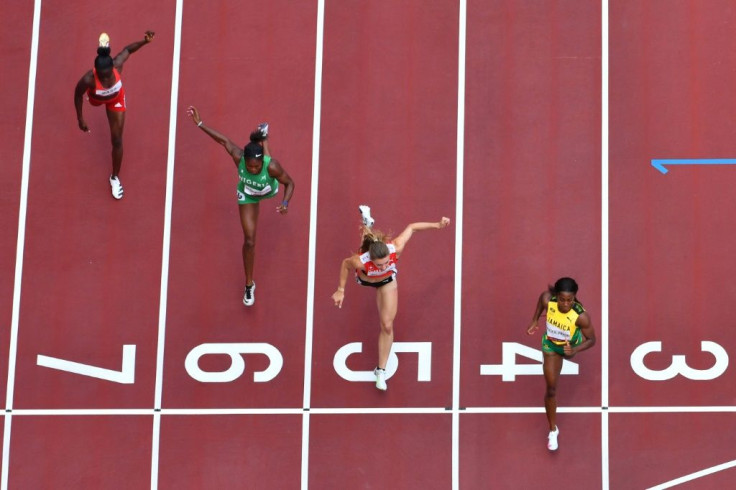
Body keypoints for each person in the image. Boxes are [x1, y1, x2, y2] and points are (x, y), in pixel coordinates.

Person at [332, 206, 451, 391]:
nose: (384, 265)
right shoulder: (360, 261)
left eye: (387, 262)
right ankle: (367, 225)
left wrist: (437, 225)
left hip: (388, 282)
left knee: (387, 325)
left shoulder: (395, 247)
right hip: (366, 281)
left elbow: (412, 227)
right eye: (379, 264)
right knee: (365, 243)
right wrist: (341, 289)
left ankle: (380, 371)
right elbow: (345, 265)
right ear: (370, 260)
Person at [186, 106, 294, 306]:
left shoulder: (271, 166)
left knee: (272, 164)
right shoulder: (238, 157)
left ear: (261, 163)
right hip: (248, 195)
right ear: (244, 159)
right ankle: (249, 284)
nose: (252, 169)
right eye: (249, 165)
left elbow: (290, 183)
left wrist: (285, 202)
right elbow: (223, 140)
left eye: (256, 166)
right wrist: (200, 124)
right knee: (250, 240)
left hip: (269, 191)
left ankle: (264, 137)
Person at [74, 31, 155, 199]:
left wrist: (144, 41)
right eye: (102, 76)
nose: (105, 79)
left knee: (117, 140)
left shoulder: (117, 64)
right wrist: (80, 118)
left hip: (115, 100)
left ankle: (114, 178)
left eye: (108, 75)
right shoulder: (89, 79)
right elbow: (77, 95)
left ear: (113, 69)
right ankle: (104, 47)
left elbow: (128, 50)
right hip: (95, 99)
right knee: (93, 98)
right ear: (96, 71)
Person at [526, 277, 596, 451]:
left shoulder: (581, 316)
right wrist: (535, 320)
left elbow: (592, 340)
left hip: (570, 345)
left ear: (574, 298)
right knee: (551, 389)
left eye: (570, 300)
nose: (566, 304)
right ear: (556, 296)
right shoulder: (547, 299)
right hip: (551, 346)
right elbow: (541, 304)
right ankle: (552, 430)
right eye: (563, 300)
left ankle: (569, 353)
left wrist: (575, 349)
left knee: (569, 355)